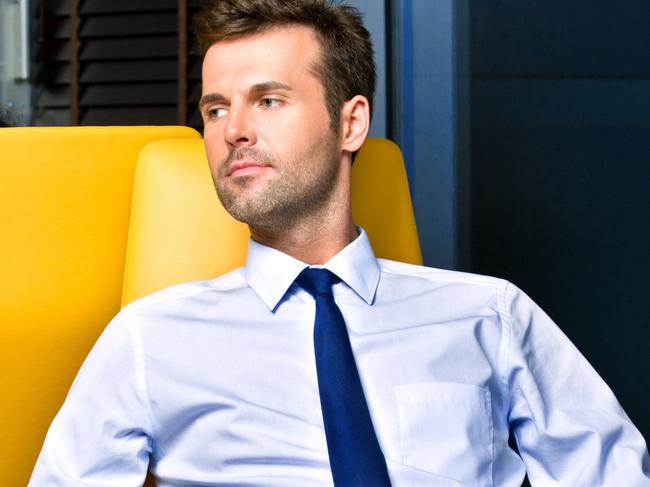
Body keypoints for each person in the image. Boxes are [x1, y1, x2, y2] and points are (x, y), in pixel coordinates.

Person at [29, 1, 650, 486]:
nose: (234, 131)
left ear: (350, 122)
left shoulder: (490, 314)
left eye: (268, 100)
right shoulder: (148, 339)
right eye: (215, 110)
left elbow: (606, 470)